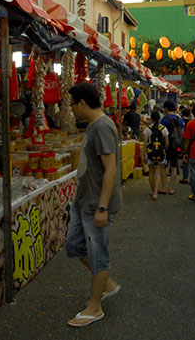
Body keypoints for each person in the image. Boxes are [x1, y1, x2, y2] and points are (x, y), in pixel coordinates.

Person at [66, 82, 121, 327]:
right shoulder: (93, 125)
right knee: (74, 245)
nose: (71, 110)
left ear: (82, 103)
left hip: (96, 203)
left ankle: (95, 306)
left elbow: (111, 168)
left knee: (98, 254)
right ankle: (106, 283)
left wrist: (102, 207)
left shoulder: (102, 127)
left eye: (71, 104)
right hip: (84, 199)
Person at [144, 111, 169, 200]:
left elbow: (145, 143)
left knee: (151, 171)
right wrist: (164, 150)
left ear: (151, 118)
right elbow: (167, 142)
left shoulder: (147, 129)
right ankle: (155, 193)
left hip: (150, 152)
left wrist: (144, 153)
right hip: (160, 153)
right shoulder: (164, 128)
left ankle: (152, 190)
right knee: (158, 172)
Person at [161, 101, 184, 195]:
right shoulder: (180, 119)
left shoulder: (164, 119)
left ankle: (163, 187)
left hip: (165, 145)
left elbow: (161, 132)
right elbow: (182, 131)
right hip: (176, 145)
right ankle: (171, 188)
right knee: (174, 166)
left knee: (163, 166)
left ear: (166, 108)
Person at [179, 107, 193, 184]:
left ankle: (185, 178)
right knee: (192, 162)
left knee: (185, 160)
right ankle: (192, 178)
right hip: (192, 143)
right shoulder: (191, 122)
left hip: (183, 142)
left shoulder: (181, 122)